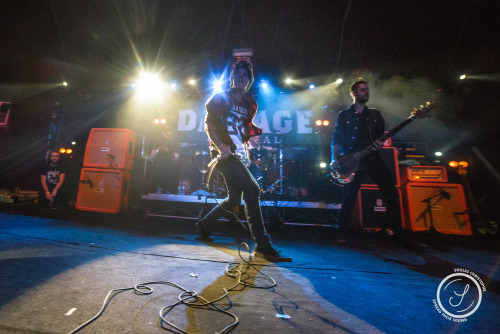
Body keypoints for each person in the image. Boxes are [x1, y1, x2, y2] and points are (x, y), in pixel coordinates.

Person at [195, 60, 292, 262]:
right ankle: (262, 244)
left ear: (249, 81)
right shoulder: (222, 98)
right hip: (223, 153)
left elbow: (243, 129)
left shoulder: (250, 104)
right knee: (253, 189)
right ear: (233, 77)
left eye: (245, 76)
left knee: (234, 199)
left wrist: (246, 151)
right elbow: (209, 125)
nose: (241, 78)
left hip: (238, 154)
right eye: (238, 74)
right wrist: (220, 147)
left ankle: (204, 224)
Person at [331, 80, 412, 247]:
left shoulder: (375, 115)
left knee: (391, 193)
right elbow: (336, 139)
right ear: (353, 93)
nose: (366, 92)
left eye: (367, 90)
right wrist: (334, 158)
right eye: (362, 90)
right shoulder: (344, 115)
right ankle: (341, 234)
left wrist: (379, 143)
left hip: (373, 159)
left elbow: (380, 137)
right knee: (348, 198)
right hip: (352, 160)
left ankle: (398, 234)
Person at [149, 127, 180, 194]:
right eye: (167, 135)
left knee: (169, 193)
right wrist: (158, 149)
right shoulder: (158, 144)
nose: (168, 137)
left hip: (170, 174)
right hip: (158, 173)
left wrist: (169, 152)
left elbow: (175, 160)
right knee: (157, 193)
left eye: (170, 135)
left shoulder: (176, 145)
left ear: (172, 135)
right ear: (164, 135)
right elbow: (150, 157)